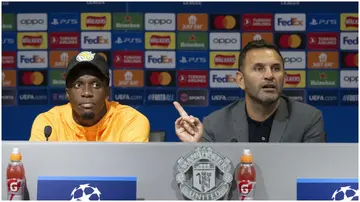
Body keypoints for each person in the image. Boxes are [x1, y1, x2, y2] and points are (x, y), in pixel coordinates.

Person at [173, 39, 325, 143]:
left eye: (276, 69)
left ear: (284, 78)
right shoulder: (215, 124)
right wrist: (195, 148)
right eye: (259, 69)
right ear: (241, 80)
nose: (269, 75)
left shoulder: (308, 120)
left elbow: (314, 175)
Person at [29, 51, 150, 142]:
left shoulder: (129, 121)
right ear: (67, 93)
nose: (86, 92)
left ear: (107, 91)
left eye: (96, 85)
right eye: (78, 85)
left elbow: (132, 169)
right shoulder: (49, 123)